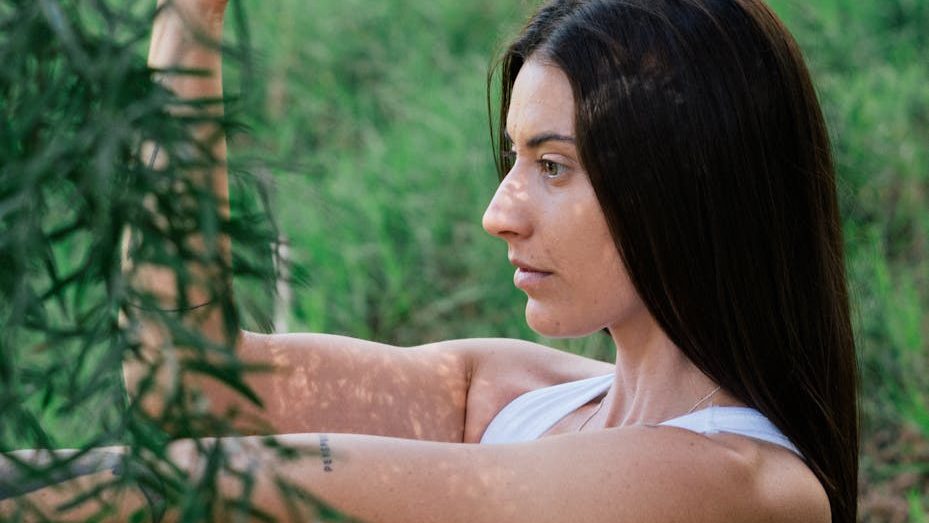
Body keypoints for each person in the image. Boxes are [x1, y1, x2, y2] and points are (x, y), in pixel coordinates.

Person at [1, 0, 858, 521]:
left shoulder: (734, 486)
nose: (499, 212)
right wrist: (191, 23)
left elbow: (229, 479)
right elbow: (188, 388)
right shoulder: (515, 397)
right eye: (512, 159)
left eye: (552, 165)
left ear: (685, 181)